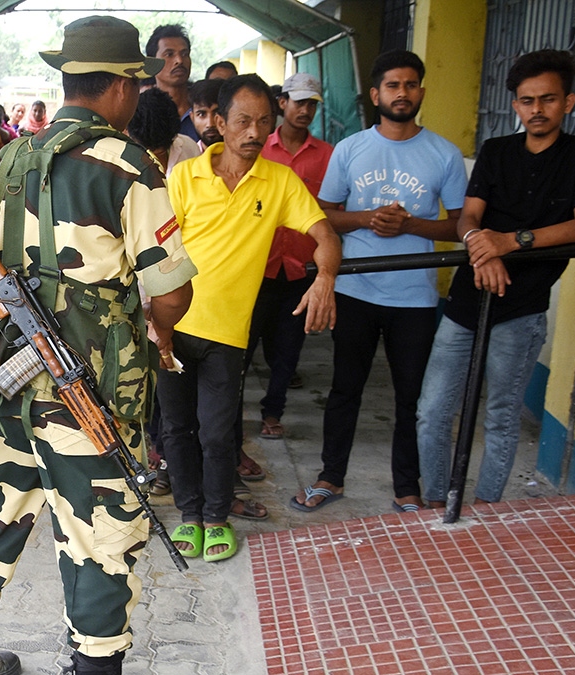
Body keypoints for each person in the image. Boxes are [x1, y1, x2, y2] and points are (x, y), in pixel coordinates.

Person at [0, 16, 196, 675]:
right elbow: (171, 290)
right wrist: (158, 328)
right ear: (123, 85)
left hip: (12, 373)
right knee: (100, 532)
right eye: (137, 85)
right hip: (88, 389)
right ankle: (95, 665)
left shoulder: (14, 155)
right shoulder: (129, 165)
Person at [162, 74, 340, 562]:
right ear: (219, 122)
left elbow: (325, 235)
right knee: (176, 428)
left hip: (227, 334)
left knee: (219, 434)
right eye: (243, 121)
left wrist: (325, 278)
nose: (254, 132)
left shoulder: (279, 182)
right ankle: (189, 514)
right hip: (173, 326)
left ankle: (217, 517)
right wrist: (153, 322)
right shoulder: (184, 177)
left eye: (264, 121)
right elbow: (156, 251)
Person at [420, 50, 575, 507]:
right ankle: (437, 505)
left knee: (501, 419)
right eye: (527, 100)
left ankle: (485, 510)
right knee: (432, 411)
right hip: (466, 301)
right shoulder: (497, 150)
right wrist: (482, 248)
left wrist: (510, 242)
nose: (536, 109)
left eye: (548, 99)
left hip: (522, 309)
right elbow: (469, 218)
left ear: (568, 102)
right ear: (515, 105)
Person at [292, 50, 467, 514]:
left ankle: (407, 488)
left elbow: (460, 225)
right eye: (392, 85)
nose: (401, 93)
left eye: (410, 85)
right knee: (345, 389)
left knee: (411, 397)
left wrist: (412, 226)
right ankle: (331, 477)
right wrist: (368, 218)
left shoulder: (445, 154)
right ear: (375, 94)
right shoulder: (350, 149)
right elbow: (324, 215)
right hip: (356, 289)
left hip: (415, 296)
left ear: (421, 92)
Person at [246, 71, 333, 447]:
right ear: (282, 103)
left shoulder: (327, 155)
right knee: (244, 346)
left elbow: (330, 213)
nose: (305, 110)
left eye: (312, 104)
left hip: (301, 268)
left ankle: (273, 412)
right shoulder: (259, 147)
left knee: (288, 348)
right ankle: (231, 414)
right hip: (257, 267)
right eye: (299, 102)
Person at [126, 87, 199, 175]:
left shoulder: (189, 147)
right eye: (149, 151)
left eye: (161, 152)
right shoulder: (123, 161)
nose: (155, 157)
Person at [145, 24, 196, 141]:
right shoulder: (142, 110)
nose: (179, 60)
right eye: (169, 54)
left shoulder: (205, 108)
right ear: (152, 62)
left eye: (184, 54)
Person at [188, 78, 223, 149]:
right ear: (192, 117)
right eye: (201, 114)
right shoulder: (186, 154)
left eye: (217, 113)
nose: (210, 124)